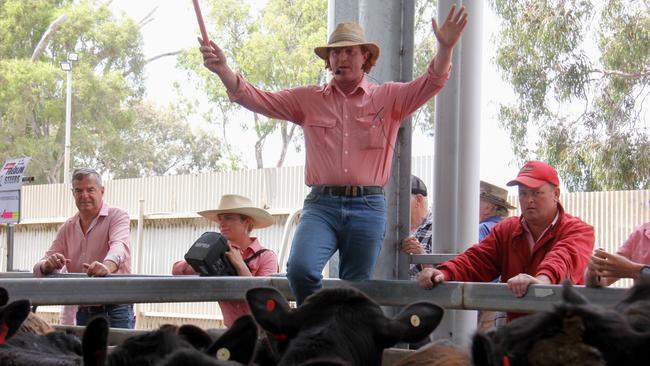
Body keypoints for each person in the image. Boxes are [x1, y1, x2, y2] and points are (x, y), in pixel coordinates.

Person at [199, 6, 468, 305]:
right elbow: (256, 98)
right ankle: (317, 324)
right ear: (328, 60)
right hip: (322, 204)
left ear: (365, 57)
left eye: (349, 51)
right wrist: (223, 69)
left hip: (368, 205)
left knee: (354, 288)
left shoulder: (388, 96)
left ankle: (339, 339)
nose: (341, 58)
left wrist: (446, 47)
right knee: (300, 270)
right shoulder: (308, 99)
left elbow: (432, 81)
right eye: (335, 53)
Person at [417, 161, 595, 321]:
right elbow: (477, 259)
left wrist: (543, 281)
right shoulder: (506, 230)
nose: (528, 200)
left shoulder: (578, 231)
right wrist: (444, 272)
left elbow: (563, 257)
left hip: (565, 334)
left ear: (556, 194)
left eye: (536, 193)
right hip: (519, 335)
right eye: (523, 193)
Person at [32, 168, 134, 328]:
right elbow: (40, 264)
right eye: (79, 190)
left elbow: (119, 247)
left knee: (117, 352)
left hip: (116, 307)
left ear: (102, 191)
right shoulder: (68, 227)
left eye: (90, 190)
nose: (84, 195)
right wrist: (47, 265)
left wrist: (106, 267)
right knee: (85, 353)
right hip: (83, 310)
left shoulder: (117, 216)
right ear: (73, 194)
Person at [172, 194, 278, 328]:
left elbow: (264, 299)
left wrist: (240, 265)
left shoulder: (267, 256)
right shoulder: (216, 253)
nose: (221, 223)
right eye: (220, 219)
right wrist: (196, 264)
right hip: (233, 330)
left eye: (228, 218)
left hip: (264, 331)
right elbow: (176, 270)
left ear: (246, 222)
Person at [477, 180, 516, 331]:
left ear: (488, 207)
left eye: (477, 201)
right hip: (508, 298)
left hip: (485, 300)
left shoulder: (482, 228)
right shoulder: (511, 228)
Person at [584, 221, 650, 287]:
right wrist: (595, 273)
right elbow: (608, 276)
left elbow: (627, 268)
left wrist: (636, 271)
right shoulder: (640, 233)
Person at [401, 175, 433, 279]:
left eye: (400, 199)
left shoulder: (438, 229)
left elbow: (442, 276)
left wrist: (421, 254)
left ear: (418, 199)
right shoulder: (393, 228)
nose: (394, 205)